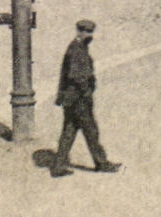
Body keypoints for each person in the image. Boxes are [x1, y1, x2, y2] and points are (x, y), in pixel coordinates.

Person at [51, 19, 121, 178]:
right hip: (78, 99)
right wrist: (87, 90)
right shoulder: (76, 50)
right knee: (91, 131)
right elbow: (76, 76)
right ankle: (102, 163)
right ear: (80, 32)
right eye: (88, 32)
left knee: (69, 130)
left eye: (91, 32)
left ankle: (58, 165)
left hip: (71, 98)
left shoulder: (77, 47)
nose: (90, 35)